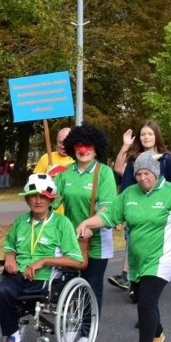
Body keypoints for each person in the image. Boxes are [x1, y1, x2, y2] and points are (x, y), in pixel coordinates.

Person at [77, 152, 171, 342]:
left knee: (146, 301)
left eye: (147, 173)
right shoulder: (129, 194)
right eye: (139, 174)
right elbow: (109, 216)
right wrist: (88, 223)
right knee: (143, 298)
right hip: (136, 258)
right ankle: (158, 332)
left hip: (162, 256)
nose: (143, 178)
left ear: (155, 172)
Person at [0, 173, 85, 342]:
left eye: (43, 196)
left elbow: (77, 261)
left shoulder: (62, 223)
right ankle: (14, 341)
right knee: (1, 290)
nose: (38, 200)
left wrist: (43, 261)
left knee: (22, 292)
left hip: (48, 278)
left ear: (51, 199)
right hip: (20, 274)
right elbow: (9, 245)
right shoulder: (21, 221)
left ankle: (15, 337)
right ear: (27, 199)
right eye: (34, 196)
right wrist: (10, 257)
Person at [108, 121, 171, 293]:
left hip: (160, 216)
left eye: (149, 134)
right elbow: (125, 185)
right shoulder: (135, 159)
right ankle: (134, 282)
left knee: (153, 252)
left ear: (156, 136)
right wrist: (120, 216)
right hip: (137, 212)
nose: (146, 137)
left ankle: (148, 284)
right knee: (135, 247)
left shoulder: (167, 159)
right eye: (143, 134)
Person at [53, 123, 117, 315]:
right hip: (71, 240)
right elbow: (51, 204)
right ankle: (71, 323)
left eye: (88, 145)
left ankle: (87, 330)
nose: (83, 150)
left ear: (96, 147)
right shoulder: (64, 173)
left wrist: (90, 225)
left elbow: (107, 209)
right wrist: (42, 192)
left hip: (96, 240)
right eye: (79, 145)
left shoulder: (104, 172)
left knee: (91, 286)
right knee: (67, 284)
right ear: (73, 147)